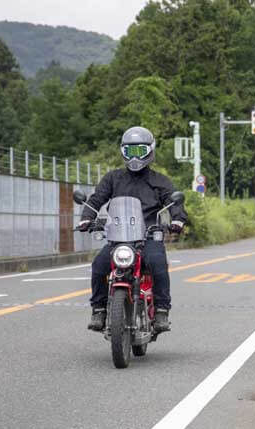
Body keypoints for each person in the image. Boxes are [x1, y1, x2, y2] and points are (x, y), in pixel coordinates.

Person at [76, 126, 187, 332]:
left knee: (158, 263)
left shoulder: (159, 181)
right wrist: (87, 218)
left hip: (148, 238)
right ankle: (98, 309)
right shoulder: (113, 178)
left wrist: (178, 220)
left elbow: (175, 202)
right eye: (130, 151)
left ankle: (162, 311)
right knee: (99, 266)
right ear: (123, 152)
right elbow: (97, 199)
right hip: (118, 239)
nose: (135, 156)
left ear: (150, 151)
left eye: (140, 150)